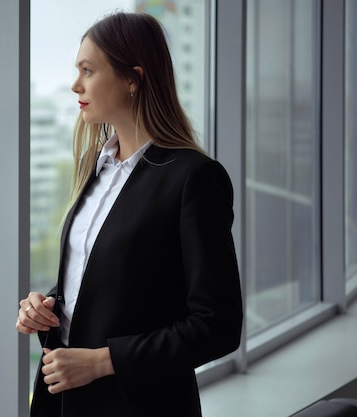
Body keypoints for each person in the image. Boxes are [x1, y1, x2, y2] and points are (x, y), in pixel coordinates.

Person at [16, 11, 243, 417]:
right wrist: (48, 307)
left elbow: (217, 325)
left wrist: (103, 361)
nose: (75, 85)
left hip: (138, 407)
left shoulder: (195, 179)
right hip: (61, 398)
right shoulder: (94, 165)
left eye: (88, 70)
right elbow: (116, 282)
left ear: (133, 78)